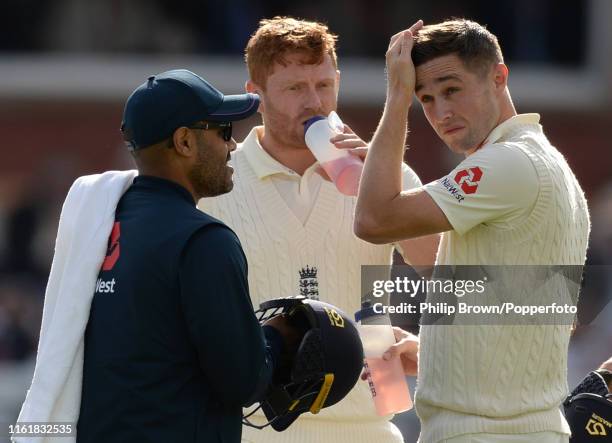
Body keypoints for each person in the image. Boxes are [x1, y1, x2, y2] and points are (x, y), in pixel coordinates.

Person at [198, 16, 439, 443]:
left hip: (368, 429)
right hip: (247, 430)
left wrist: (431, 350)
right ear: (255, 94)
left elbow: (449, 276)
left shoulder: (385, 173)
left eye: (324, 86)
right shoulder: (214, 181)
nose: (315, 102)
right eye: (295, 89)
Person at [355, 19, 591, 443]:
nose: (440, 112)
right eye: (424, 98)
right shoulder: (541, 160)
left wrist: (396, 98)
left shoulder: (508, 163)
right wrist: (434, 358)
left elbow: (374, 221)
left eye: (451, 89)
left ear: (498, 77)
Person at [76, 69, 296, 443]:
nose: (233, 146)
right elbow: (243, 381)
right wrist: (280, 337)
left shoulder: (100, 224)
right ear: (184, 142)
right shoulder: (205, 240)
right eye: (223, 131)